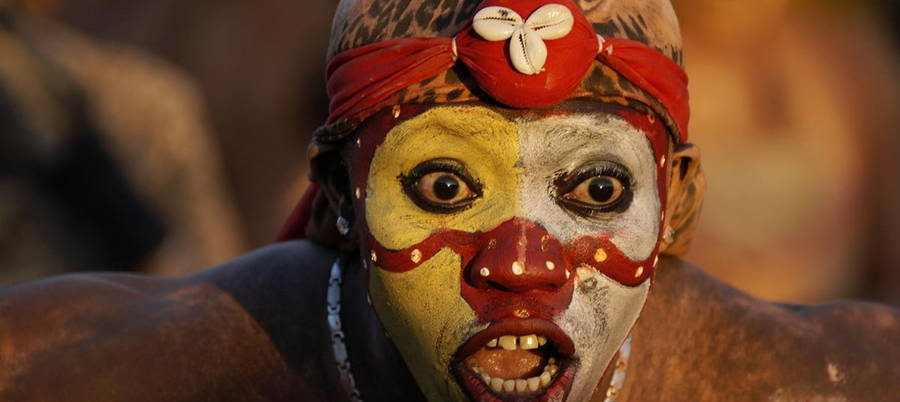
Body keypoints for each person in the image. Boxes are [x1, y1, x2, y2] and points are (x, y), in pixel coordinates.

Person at [1, 0, 897, 401]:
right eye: (443, 186)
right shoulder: (94, 370)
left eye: (592, 189)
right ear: (338, 203)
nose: (520, 263)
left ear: (680, 208)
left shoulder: (824, 381)